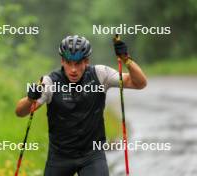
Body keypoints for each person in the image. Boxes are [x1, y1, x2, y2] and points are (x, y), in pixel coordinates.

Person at [15, 35, 147, 176]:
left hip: (92, 155)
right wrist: (30, 99)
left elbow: (140, 83)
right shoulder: (49, 82)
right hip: (60, 156)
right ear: (62, 61)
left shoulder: (100, 74)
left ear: (86, 61)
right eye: (68, 63)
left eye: (78, 63)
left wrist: (126, 59)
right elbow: (20, 112)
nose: (73, 69)